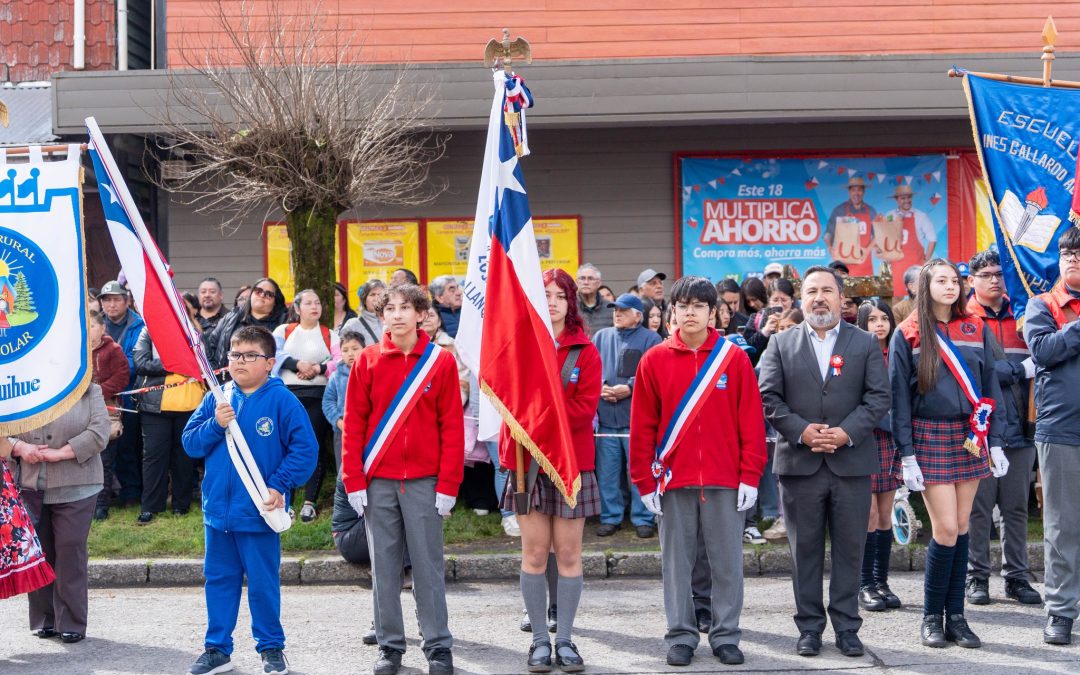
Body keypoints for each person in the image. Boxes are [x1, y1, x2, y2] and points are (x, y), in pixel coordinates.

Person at [630, 276, 767, 667]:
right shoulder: (654, 360)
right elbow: (642, 427)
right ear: (672, 310)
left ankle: (726, 634)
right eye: (683, 305)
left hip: (726, 479)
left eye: (698, 306)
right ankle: (681, 635)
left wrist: (750, 475)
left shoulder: (734, 358)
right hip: (672, 480)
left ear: (713, 313)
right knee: (676, 563)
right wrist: (644, 480)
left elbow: (751, 424)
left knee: (728, 563)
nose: (689, 312)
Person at [758, 265, 891, 659]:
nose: (819, 297)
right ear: (802, 298)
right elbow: (769, 398)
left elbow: (878, 397)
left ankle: (848, 628)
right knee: (805, 552)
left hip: (851, 463)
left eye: (827, 291)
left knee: (851, 549)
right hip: (800, 464)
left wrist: (846, 432)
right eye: (812, 290)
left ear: (840, 298)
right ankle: (810, 628)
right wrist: (803, 431)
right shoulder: (780, 344)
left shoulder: (864, 342)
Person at [341, 283, 463, 675]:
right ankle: (390, 646)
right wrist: (354, 480)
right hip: (379, 481)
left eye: (405, 308)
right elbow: (354, 425)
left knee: (428, 566)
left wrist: (448, 485)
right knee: (385, 566)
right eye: (389, 308)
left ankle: (438, 646)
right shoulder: (368, 361)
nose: (396, 315)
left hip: (426, 481)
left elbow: (452, 428)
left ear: (422, 314)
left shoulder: (440, 362)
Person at [182, 326, 318, 675]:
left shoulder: (282, 399)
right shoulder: (217, 396)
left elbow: (305, 451)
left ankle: (271, 648)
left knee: (262, 584)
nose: (239, 361)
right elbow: (190, 443)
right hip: (218, 514)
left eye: (248, 355)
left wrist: (279, 485)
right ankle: (217, 649)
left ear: (269, 362)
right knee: (219, 582)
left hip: (259, 511)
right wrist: (215, 424)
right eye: (234, 355)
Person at [890, 259, 1007, 649]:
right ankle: (930, 617)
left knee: (961, 527)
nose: (950, 286)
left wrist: (997, 440)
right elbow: (898, 399)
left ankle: (956, 617)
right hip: (928, 434)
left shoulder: (975, 326)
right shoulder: (907, 333)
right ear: (925, 286)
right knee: (943, 530)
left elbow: (991, 383)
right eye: (940, 280)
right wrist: (905, 454)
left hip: (971, 433)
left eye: (954, 280)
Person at [500, 268, 601, 673]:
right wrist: (532, 425)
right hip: (527, 466)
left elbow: (585, 407)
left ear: (571, 301)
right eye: (545, 294)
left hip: (571, 465)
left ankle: (566, 640)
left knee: (570, 555)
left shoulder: (585, 351)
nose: (553, 301)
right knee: (535, 553)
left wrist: (540, 421)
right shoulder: (519, 346)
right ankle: (540, 642)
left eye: (561, 294)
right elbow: (507, 402)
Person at [964, 250, 1041, 607]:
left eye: (1000, 274)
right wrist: (1017, 370)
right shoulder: (964, 320)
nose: (995, 280)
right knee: (978, 508)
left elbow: (1044, 361)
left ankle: (1016, 578)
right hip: (977, 432)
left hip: (1021, 428)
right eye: (987, 274)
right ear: (972, 281)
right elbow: (977, 374)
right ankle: (976, 577)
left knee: (1015, 508)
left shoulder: (1025, 317)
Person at [9, 383, 110, 643]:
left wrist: (61, 454)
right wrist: (19, 447)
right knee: (40, 552)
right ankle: (46, 618)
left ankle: (72, 621)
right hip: (29, 483)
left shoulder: (89, 389)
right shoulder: (19, 384)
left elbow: (100, 432)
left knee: (69, 547)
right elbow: (3, 427)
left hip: (79, 483)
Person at [1022, 226, 1080, 646]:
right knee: (1062, 526)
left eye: (1079, 252)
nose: (1072, 258)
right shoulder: (1041, 304)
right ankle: (1061, 611)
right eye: (1066, 253)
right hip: (1062, 428)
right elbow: (1043, 351)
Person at [591, 293, 662, 538]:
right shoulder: (601, 336)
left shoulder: (652, 339)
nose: (617, 314)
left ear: (638, 316)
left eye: (623, 310)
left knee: (638, 472)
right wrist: (599, 385)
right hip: (606, 419)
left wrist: (630, 387)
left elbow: (654, 373)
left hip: (636, 421)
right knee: (608, 473)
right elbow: (591, 368)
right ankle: (611, 517)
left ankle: (643, 518)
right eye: (615, 310)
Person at [272, 289, 341, 524]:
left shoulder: (330, 334)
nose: (314, 306)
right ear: (298, 308)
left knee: (313, 445)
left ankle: (309, 502)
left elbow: (338, 360)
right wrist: (297, 364)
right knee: (285, 445)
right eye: (308, 303)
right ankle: (286, 500)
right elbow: (273, 353)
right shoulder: (284, 330)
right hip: (288, 394)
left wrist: (318, 369)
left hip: (318, 394)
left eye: (318, 302)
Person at [133, 318, 206, 524]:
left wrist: (176, 363)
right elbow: (141, 363)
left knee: (183, 457)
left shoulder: (193, 332)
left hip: (190, 405)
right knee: (153, 457)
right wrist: (176, 363)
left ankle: (181, 505)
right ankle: (150, 506)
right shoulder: (148, 331)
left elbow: (203, 362)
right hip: (154, 407)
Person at [855, 299, 903, 612]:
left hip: (892, 439)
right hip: (863, 438)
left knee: (886, 514)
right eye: (871, 319)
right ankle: (864, 584)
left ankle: (881, 580)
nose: (879, 325)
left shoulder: (897, 353)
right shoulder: (855, 353)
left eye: (883, 318)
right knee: (868, 514)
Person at [97, 280, 146, 508]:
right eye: (107, 300)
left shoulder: (139, 325)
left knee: (128, 445)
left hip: (129, 394)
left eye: (117, 299)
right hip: (100, 396)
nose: (112, 304)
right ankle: (109, 494)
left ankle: (132, 493)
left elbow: (135, 362)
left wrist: (110, 368)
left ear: (127, 302)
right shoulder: (95, 324)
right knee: (103, 446)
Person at [89, 309, 130, 521]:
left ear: (103, 328)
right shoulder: (76, 348)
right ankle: (87, 503)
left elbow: (122, 377)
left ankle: (101, 505)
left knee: (104, 459)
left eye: (93, 325)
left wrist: (95, 393)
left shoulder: (113, 350)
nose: (90, 329)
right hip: (80, 409)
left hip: (107, 408)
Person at [208, 278, 288, 369]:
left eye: (269, 294)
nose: (262, 295)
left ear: (275, 302)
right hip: (228, 378)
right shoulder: (230, 318)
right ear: (251, 294)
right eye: (258, 291)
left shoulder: (284, 323)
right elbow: (211, 346)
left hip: (268, 379)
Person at [883, 186, 936, 297]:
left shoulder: (921, 216)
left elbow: (932, 239)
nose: (907, 200)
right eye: (903, 198)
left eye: (909, 197)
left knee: (918, 297)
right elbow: (884, 238)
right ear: (896, 199)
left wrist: (927, 259)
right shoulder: (889, 216)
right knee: (897, 298)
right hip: (896, 266)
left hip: (915, 264)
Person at [824, 177, 877, 277]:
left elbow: (877, 235)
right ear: (849, 191)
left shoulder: (870, 211)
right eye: (853, 190)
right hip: (843, 265)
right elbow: (828, 234)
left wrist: (867, 250)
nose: (856, 193)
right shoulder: (839, 210)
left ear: (864, 191)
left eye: (859, 190)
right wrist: (830, 248)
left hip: (864, 262)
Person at [744, 279, 796, 364]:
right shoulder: (756, 319)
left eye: (784, 300)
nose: (780, 304)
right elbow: (747, 352)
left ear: (792, 299)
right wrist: (764, 332)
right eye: (775, 300)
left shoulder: (800, 318)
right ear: (769, 300)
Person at [343, 279, 386, 347]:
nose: (377, 298)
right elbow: (344, 352)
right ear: (364, 300)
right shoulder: (352, 325)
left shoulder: (391, 322)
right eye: (372, 294)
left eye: (380, 294)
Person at [575, 263, 613, 335]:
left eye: (590, 278)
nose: (586, 282)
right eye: (582, 278)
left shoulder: (610, 308)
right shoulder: (569, 307)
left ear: (599, 283)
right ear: (577, 282)